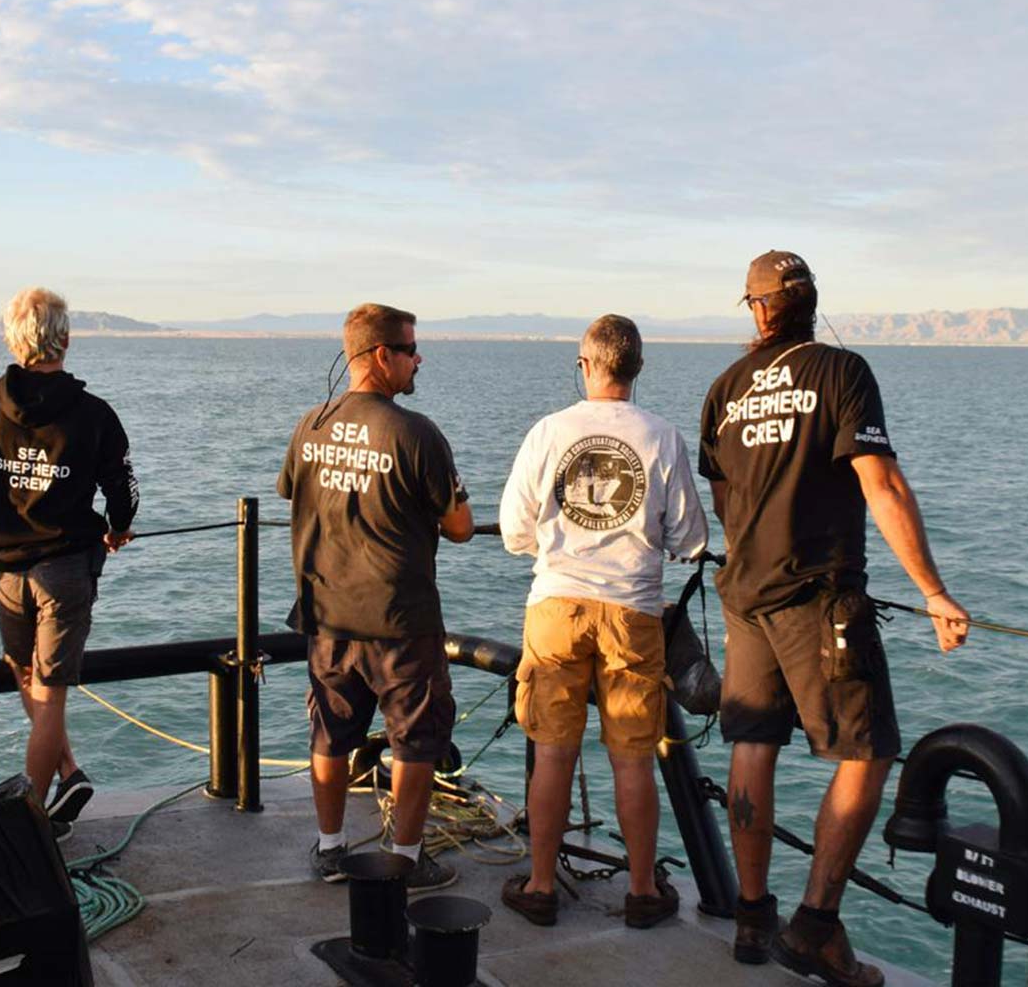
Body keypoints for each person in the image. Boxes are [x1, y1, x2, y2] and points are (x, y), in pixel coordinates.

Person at [699, 251, 969, 986]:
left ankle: (751, 915)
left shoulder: (725, 389)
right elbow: (879, 483)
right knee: (867, 753)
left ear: (755, 309)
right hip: (820, 597)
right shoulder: (843, 373)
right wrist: (934, 590)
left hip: (744, 593)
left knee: (753, 743)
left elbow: (724, 499)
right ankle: (815, 926)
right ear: (811, 303)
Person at [496, 315, 708, 929]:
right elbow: (691, 540)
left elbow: (514, 530)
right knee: (633, 760)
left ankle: (540, 887)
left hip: (556, 607)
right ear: (637, 369)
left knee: (553, 751)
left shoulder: (548, 432)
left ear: (585, 365)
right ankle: (642, 892)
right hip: (634, 613)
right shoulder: (662, 437)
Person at [0, 287, 139, 833]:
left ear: (14, 340)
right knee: (49, 696)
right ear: (64, 339)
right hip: (65, 569)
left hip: (1, 570)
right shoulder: (93, 414)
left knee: (26, 676)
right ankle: (35, 823)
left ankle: (66, 776)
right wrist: (117, 531)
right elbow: (123, 489)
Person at [278, 302, 473, 892]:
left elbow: (296, 493)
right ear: (382, 356)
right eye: (412, 349)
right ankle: (406, 860)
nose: (420, 359)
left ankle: (332, 849)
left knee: (330, 733)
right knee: (415, 738)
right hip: (400, 620)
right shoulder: (416, 434)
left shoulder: (311, 424)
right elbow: (460, 526)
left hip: (327, 617)